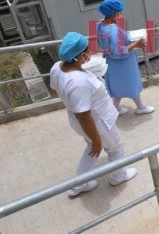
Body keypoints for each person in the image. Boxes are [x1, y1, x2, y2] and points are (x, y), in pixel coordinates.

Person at [50, 32, 138, 197]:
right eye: (87, 50)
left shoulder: (57, 67)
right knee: (115, 147)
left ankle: (78, 184)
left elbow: (57, 90)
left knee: (92, 149)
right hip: (97, 123)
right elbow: (84, 115)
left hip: (81, 120)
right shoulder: (78, 83)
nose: (89, 52)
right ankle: (118, 176)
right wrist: (97, 138)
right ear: (79, 56)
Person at [96, 0, 155, 115]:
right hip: (123, 63)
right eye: (120, 12)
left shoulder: (101, 24)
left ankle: (116, 108)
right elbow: (118, 51)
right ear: (115, 14)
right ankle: (141, 108)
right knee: (132, 83)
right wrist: (136, 44)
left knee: (117, 85)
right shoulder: (113, 30)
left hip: (111, 63)